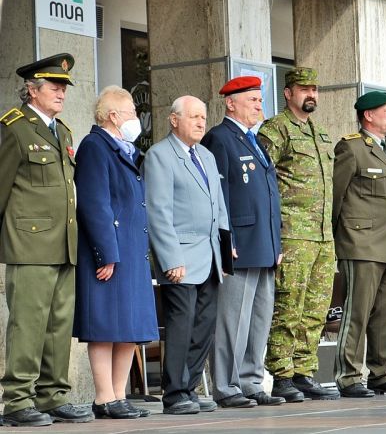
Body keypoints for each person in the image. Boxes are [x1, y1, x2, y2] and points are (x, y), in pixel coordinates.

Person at [0, 53, 94, 427]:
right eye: (54, 87)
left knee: (58, 325)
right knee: (28, 323)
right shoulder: (14, 128)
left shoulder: (63, 132)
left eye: (64, 88)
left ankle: (52, 396)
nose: (61, 93)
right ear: (32, 90)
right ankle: (17, 400)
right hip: (29, 244)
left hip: (63, 243)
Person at [73, 86, 159, 419]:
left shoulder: (127, 149)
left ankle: (119, 395)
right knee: (105, 325)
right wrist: (105, 253)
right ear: (113, 115)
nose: (136, 119)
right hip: (110, 250)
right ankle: (103, 397)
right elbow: (95, 204)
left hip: (132, 250)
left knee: (129, 328)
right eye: (132, 113)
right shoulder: (95, 146)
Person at [144, 95, 230, 415]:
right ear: (174, 119)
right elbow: (158, 212)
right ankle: (174, 393)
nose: (200, 122)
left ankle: (190, 388)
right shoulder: (160, 155)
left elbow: (218, 206)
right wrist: (171, 259)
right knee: (181, 326)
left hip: (210, 256)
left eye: (203, 117)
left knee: (204, 325)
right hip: (180, 257)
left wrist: (225, 250)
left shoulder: (206, 155)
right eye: (193, 116)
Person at [201, 76, 284, 408]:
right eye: (252, 100)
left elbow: (269, 196)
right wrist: (226, 240)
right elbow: (218, 195)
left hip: (263, 244)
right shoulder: (220, 138)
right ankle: (226, 385)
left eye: (260, 100)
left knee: (259, 318)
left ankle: (251, 381)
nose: (259, 106)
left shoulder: (255, 140)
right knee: (232, 320)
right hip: (239, 244)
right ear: (231, 103)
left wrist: (276, 243)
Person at [258, 67, 339, 401]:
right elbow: (263, 182)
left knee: (315, 309)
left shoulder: (321, 133)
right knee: (288, 306)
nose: (311, 95)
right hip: (292, 234)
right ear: (288, 93)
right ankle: (282, 375)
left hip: (323, 236)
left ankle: (305, 372)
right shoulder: (276, 129)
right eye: (304, 89)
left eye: (314, 89)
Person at [332, 91, 386, 398]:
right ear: (368, 115)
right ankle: (348, 376)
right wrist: (338, 238)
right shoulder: (351, 147)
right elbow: (336, 196)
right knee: (357, 312)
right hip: (361, 243)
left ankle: (381, 373)